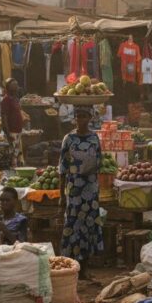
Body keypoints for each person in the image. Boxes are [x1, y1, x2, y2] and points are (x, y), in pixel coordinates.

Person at [59, 106, 104, 274]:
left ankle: (85, 267)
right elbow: (62, 168)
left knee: (90, 223)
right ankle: (72, 266)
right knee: (73, 223)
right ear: (74, 118)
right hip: (74, 187)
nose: (81, 119)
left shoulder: (94, 138)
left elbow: (100, 161)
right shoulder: (68, 139)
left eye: (84, 116)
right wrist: (61, 194)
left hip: (90, 187)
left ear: (90, 118)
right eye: (78, 116)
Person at [1, 78, 25, 166]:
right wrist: (8, 134)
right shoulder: (6, 100)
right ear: (8, 88)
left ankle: (17, 171)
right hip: (12, 132)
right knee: (12, 156)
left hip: (18, 131)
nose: (16, 87)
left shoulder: (15, 99)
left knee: (17, 154)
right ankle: (11, 173)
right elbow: (4, 118)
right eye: (14, 85)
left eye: (16, 85)